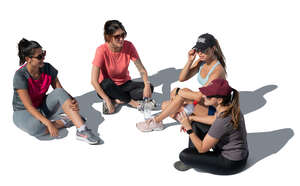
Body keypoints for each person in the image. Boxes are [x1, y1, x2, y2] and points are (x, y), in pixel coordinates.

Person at [13, 38, 100, 144]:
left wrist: (72, 100)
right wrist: (48, 123)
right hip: (23, 112)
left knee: (58, 92)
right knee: (36, 129)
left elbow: (60, 90)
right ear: (28, 59)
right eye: (40, 57)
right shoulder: (20, 75)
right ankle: (65, 121)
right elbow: (29, 106)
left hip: (42, 106)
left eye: (43, 54)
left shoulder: (47, 68)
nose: (43, 58)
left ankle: (82, 130)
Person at [136, 33, 226, 132]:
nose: (200, 53)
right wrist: (190, 61)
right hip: (204, 102)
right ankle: (189, 120)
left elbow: (200, 96)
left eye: (204, 50)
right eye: (198, 49)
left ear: (213, 49)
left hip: (214, 110)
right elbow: (182, 78)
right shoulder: (201, 62)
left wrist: (182, 94)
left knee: (180, 94)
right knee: (165, 105)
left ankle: (156, 121)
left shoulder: (217, 71)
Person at [174, 79, 248, 174]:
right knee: (195, 124)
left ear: (219, 100)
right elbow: (214, 119)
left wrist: (188, 128)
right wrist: (192, 118)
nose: (204, 96)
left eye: (208, 95)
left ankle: (192, 160)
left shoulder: (224, 118)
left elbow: (202, 148)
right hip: (239, 154)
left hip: (231, 162)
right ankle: (195, 158)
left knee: (184, 156)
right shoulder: (228, 107)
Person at [91, 20, 154, 114]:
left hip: (125, 84)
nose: (121, 39)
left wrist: (147, 85)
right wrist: (107, 99)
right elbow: (94, 81)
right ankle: (131, 102)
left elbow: (142, 70)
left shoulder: (129, 46)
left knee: (150, 88)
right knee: (106, 83)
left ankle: (117, 100)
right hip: (108, 87)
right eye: (117, 37)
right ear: (108, 37)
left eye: (123, 35)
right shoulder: (101, 50)